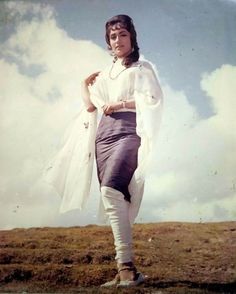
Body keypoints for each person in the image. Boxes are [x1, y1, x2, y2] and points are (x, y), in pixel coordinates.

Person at [80, 14, 163, 288]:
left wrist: (119, 105)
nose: (118, 40)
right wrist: (84, 86)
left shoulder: (142, 67)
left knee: (110, 190)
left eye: (123, 34)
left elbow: (153, 100)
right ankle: (124, 270)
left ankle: (127, 267)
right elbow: (92, 106)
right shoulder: (105, 74)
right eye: (113, 36)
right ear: (108, 41)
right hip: (104, 137)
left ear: (132, 37)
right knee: (114, 198)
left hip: (129, 132)